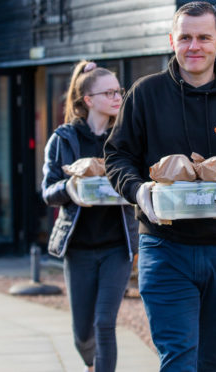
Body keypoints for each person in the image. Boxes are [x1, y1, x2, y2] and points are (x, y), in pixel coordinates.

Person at [104, 2, 216, 371]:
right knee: (180, 358)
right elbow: (117, 157)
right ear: (172, 40)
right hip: (165, 248)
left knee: (214, 360)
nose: (193, 46)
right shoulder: (145, 94)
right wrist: (139, 191)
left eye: (203, 37)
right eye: (185, 37)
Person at [41, 60, 138, 372]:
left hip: (117, 246)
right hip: (79, 247)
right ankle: (89, 364)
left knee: (104, 322)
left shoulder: (126, 137)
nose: (117, 97)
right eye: (109, 92)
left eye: (118, 91)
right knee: (83, 333)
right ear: (88, 100)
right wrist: (73, 186)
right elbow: (47, 191)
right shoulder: (64, 139)